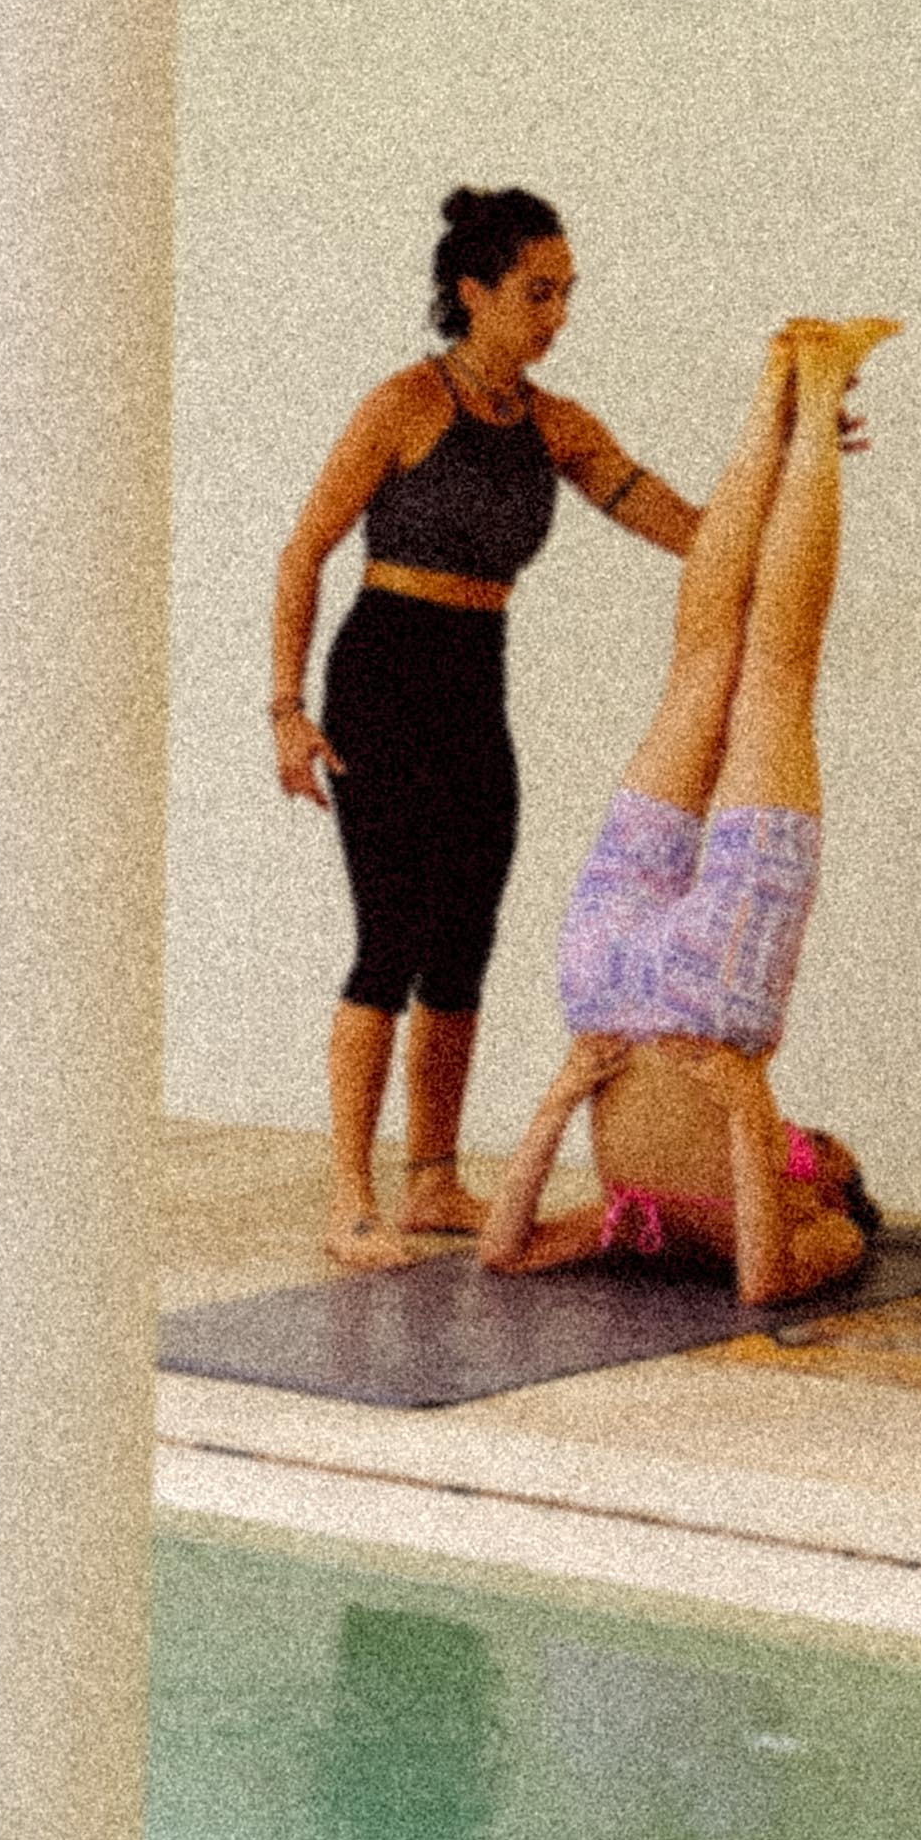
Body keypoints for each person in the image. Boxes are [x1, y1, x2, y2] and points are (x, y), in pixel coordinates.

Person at [268, 189, 701, 1267]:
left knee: (463, 939)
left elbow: (683, 524)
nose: (557, 315)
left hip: (474, 682)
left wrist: (794, 453)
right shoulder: (403, 405)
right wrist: (286, 709)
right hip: (382, 677)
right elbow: (303, 550)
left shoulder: (557, 426)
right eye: (536, 293)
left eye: (565, 293)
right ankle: (350, 1197)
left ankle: (432, 1180)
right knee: (388, 939)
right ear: (473, 292)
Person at [481, 317, 897, 1315]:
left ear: (831, 1189)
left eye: (821, 1153)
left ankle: (797, 386)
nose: (814, 1143)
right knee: (746, 670)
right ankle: (790, 391)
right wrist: (750, 1112)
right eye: (820, 1146)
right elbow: (761, 1275)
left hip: (622, 1001)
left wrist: (566, 1092)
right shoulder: (780, 1207)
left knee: (740, 668)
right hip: (678, 999)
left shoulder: (685, 1221)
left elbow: (509, 1251)